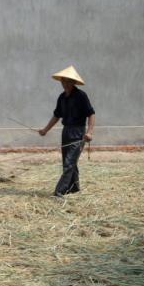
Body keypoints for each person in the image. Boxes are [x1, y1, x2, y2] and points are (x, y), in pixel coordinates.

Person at [38, 66, 95, 197]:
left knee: (69, 162)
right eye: (63, 81)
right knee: (68, 162)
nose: (65, 84)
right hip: (66, 132)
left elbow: (91, 114)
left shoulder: (81, 96)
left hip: (78, 132)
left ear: (74, 82)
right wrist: (45, 130)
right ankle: (74, 187)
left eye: (68, 81)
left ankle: (59, 191)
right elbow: (57, 115)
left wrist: (90, 132)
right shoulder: (62, 97)